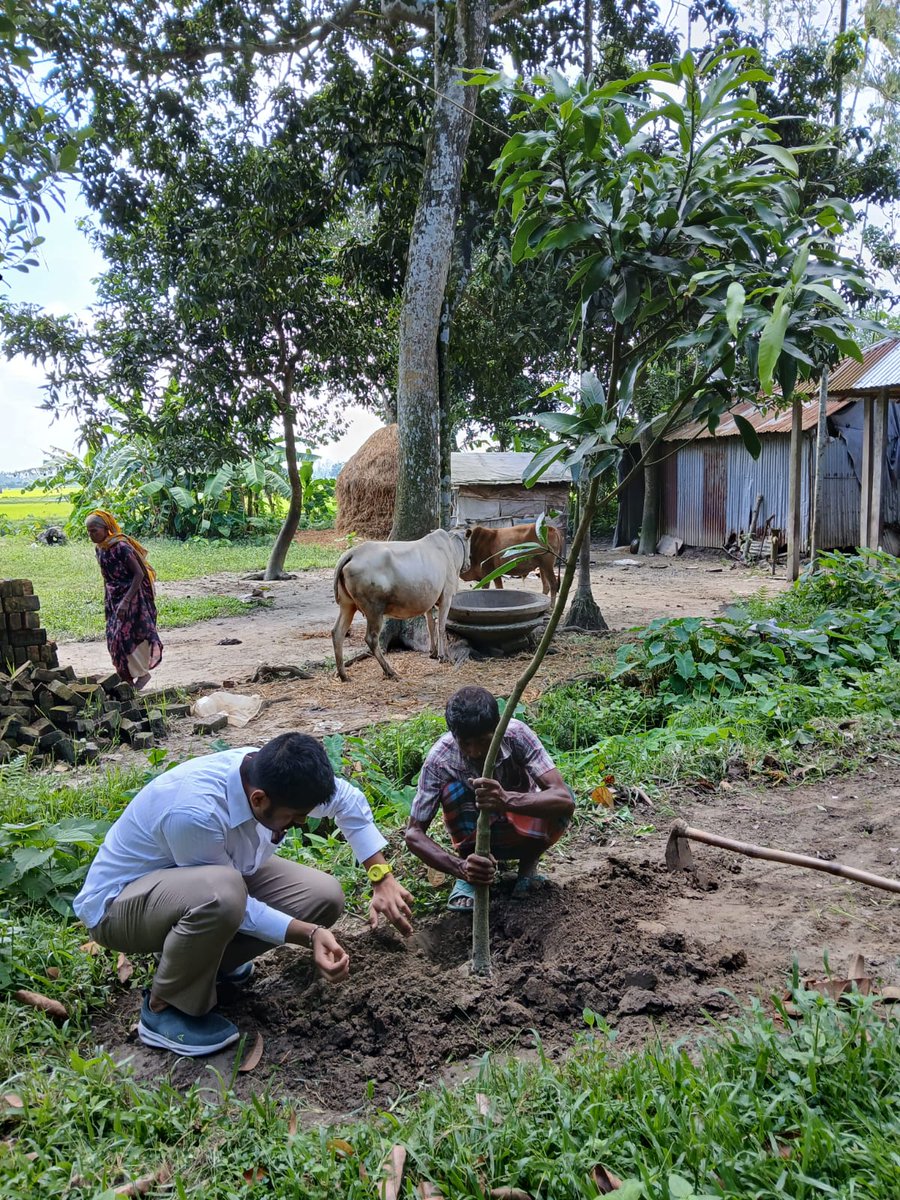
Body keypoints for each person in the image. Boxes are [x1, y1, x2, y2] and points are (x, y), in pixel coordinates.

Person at [74, 732, 414, 1056]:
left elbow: (348, 801)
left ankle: (206, 966)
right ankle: (165, 1008)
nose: (296, 824)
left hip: (211, 880)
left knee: (324, 895)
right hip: (120, 909)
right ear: (259, 799)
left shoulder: (277, 773)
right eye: (292, 818)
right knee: (223, 895)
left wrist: (381, 877)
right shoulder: (196, 813)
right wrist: (309, 933)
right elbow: (229, 901)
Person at [405, 686, 575, 912]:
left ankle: (527, 868)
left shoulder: (516, 735)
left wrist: (507, 799)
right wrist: (460, 867)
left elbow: (564, 799)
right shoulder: (440, 759)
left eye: (483, 741)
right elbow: (414, 834)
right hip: (473, 836)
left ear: (497, 728)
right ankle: (470, 875)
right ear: (453, 735)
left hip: (523, 829)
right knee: (454, 790)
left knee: (559, 801)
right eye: (465, 743)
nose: (474, 752)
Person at [85, 510, 163, 690]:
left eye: (94, 530)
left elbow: (139, 574)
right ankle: (126, 679)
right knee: (113, 639)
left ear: (106, 528)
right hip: (114, 598)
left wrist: (126, 601)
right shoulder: (100, 549)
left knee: (129, 636)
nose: (91, 535)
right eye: (88, 531)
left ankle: (142, 674)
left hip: (133, 598)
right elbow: (107, 578)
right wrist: (110, 601)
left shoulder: (121, 547)